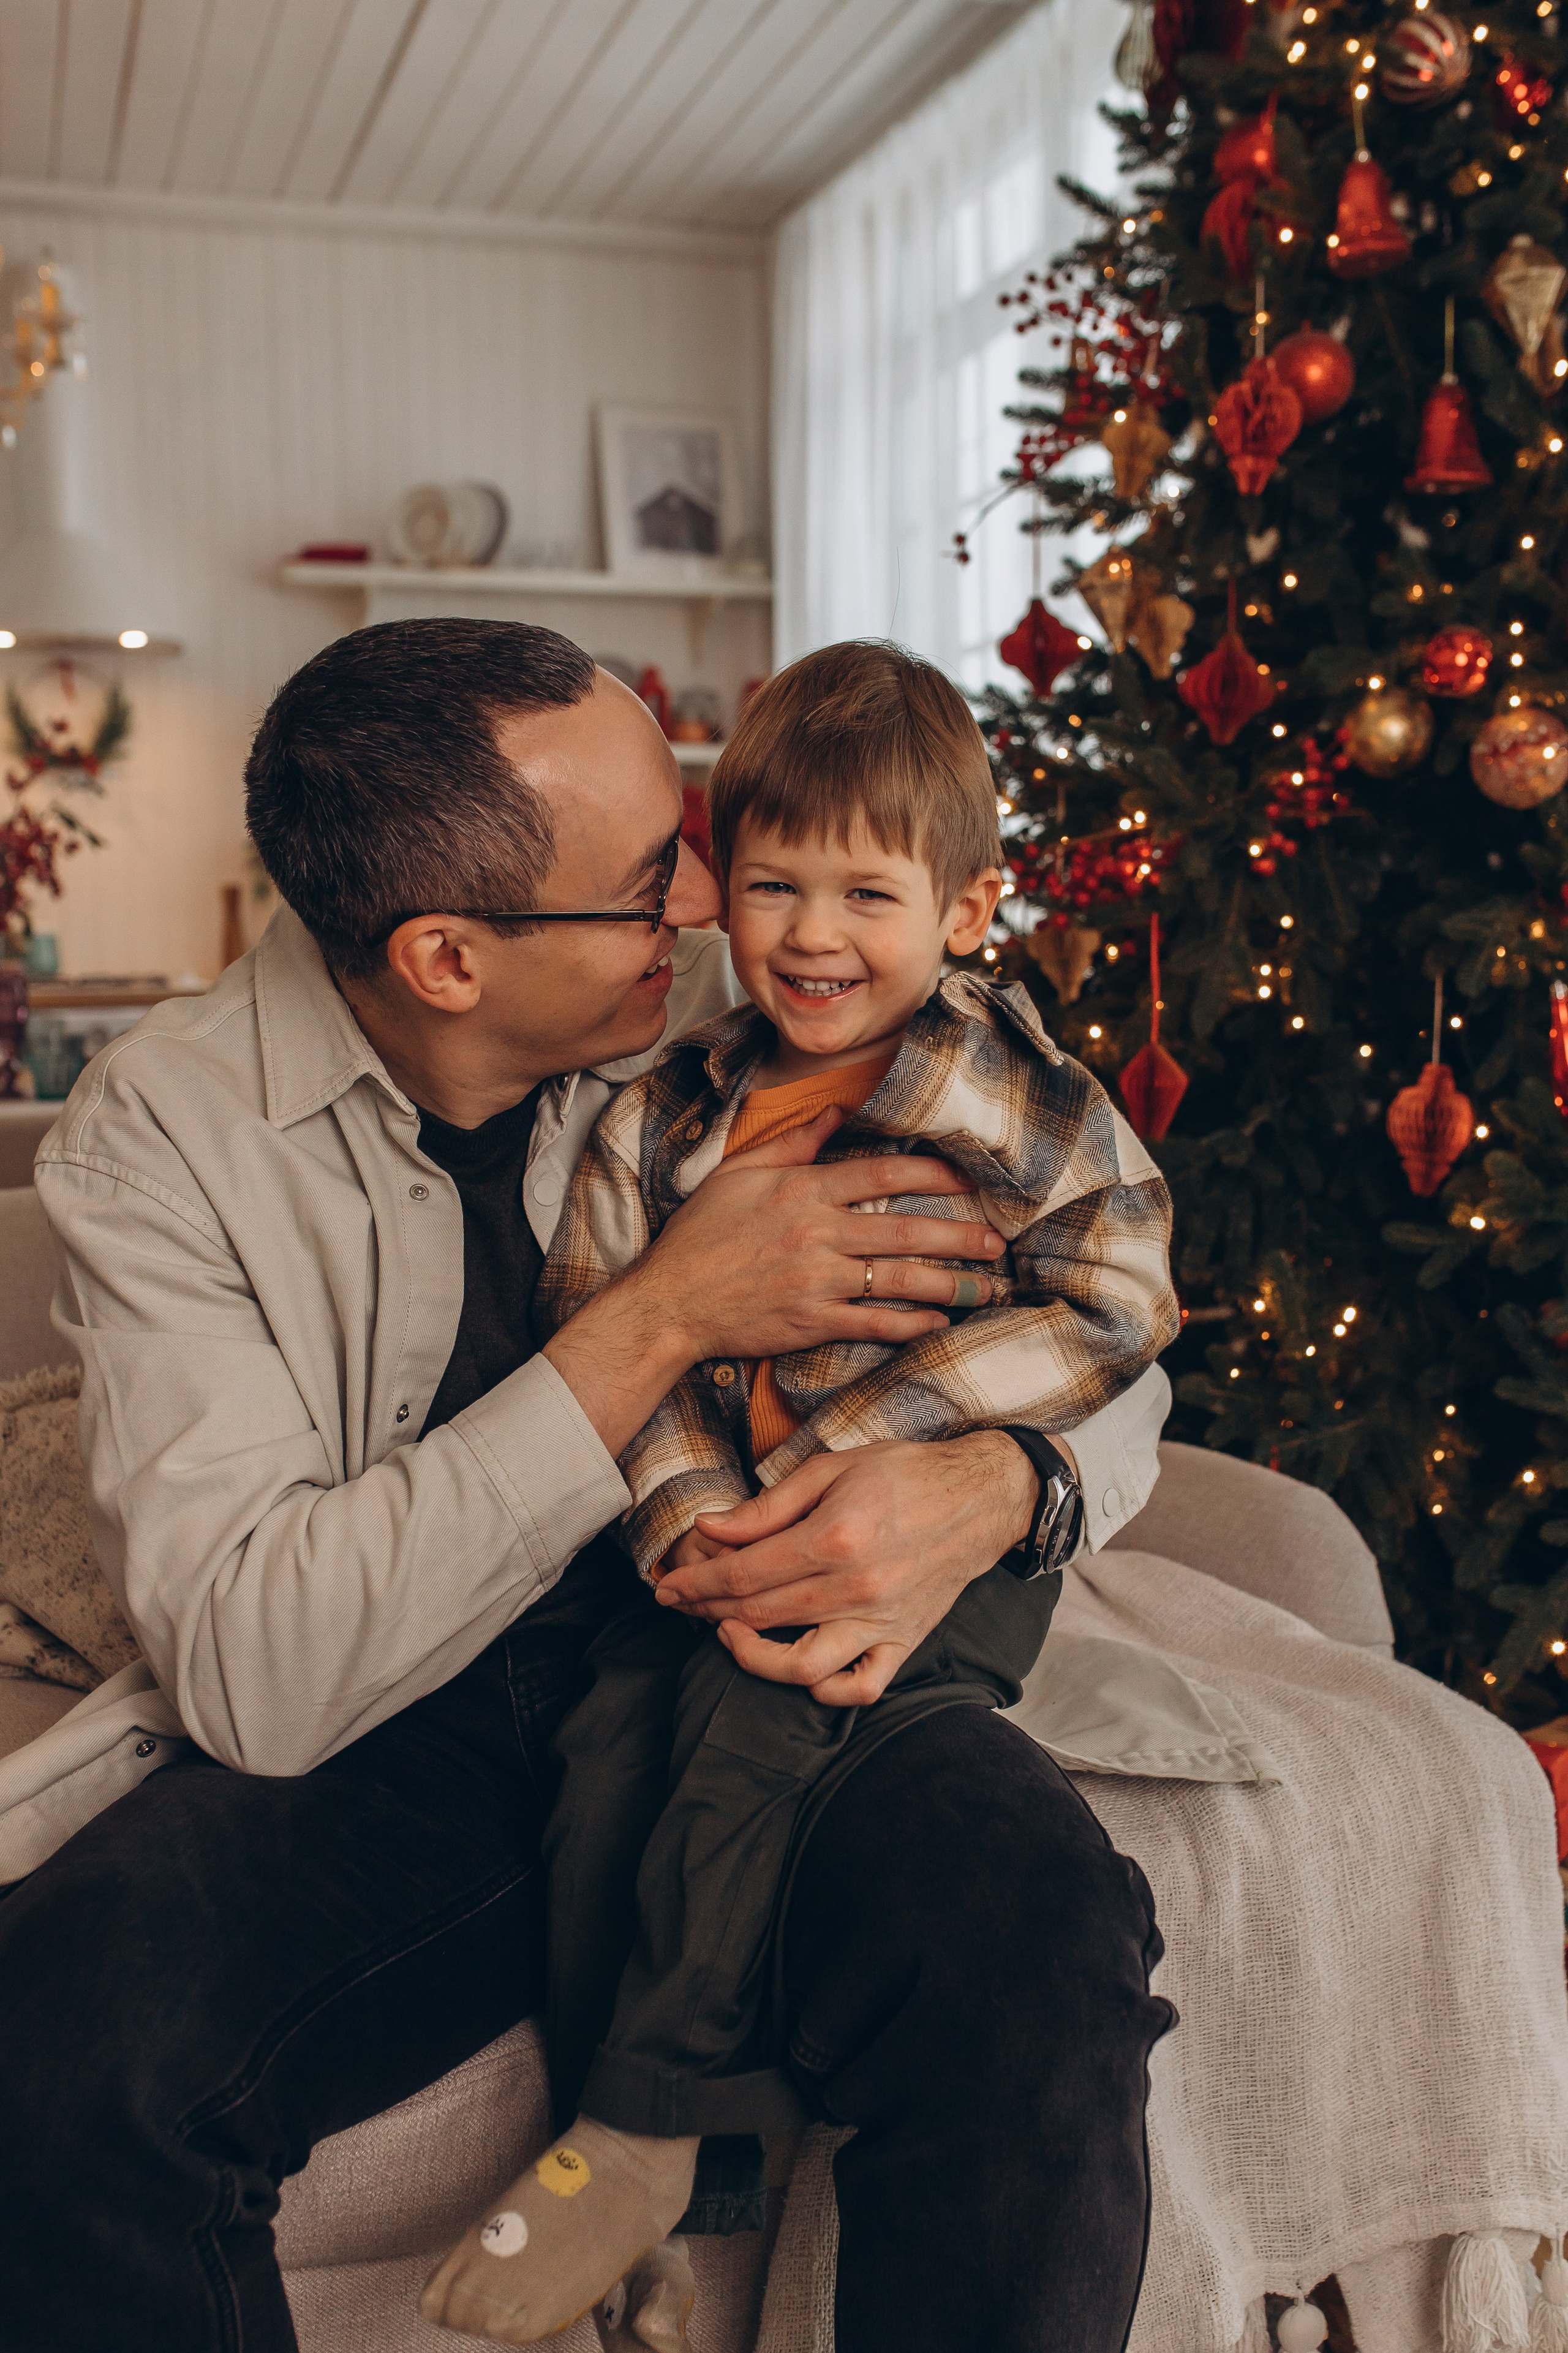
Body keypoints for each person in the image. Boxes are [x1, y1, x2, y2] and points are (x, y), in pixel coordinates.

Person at [0, 618, 1174, 2353]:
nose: (712, 909)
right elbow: (258, 1669)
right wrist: (669, 1313)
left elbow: (1111, 1322)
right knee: (53, 2058)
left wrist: (1004, 1485)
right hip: (400, 1712)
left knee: (1034, 1931)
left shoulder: (770, 1001)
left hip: (750, 1650)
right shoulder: (166, 1139)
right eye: (648, 886)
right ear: (447, 958)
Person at [423, 641, 1179, 2347]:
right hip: (728, 1536)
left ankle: (637, 2131)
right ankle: (657, 2203)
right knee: (612, 1754)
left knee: (748, 1735)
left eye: (868, 894)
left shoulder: (1002, 1091)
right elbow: (617, 1332)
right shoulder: (668, 1108)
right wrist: (695, 1524)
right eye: (773, 885)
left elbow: (1123, 1290)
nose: (813, 934)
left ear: (965, 910)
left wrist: (886, 1450)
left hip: (936, 1548)